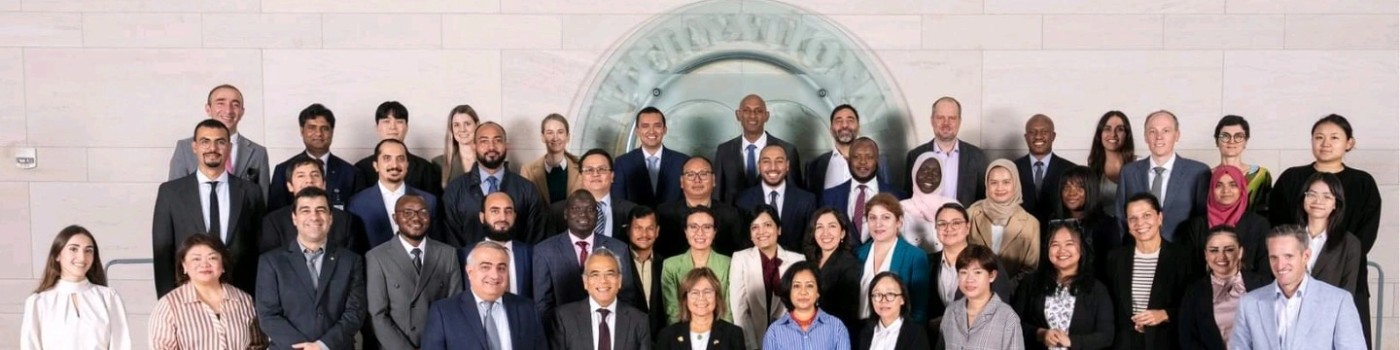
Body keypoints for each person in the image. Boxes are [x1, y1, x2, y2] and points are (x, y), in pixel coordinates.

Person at [1268, 114, 1380, 347]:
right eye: (1319, 137)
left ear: (1350, 143)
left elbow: (1365, 234)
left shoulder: (1363, 182)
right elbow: (1274, 223)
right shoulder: (1292, 177)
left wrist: (1337, 259)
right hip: (1291, 280)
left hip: (1344, 276)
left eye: (1334, 137)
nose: (1325, 143)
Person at [154, 119, 265, 298]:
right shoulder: (170, 193)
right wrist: (168, 300)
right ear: (194, 147)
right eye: (205, 141)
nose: (212, 148)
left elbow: (259, 248)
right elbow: (162, 253)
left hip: (241, 295)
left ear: (229, 147)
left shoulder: (251, 192)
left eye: (220, 142)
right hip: (187, 295)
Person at [256, 187, 367, 350]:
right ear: (294, 218)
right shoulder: (271, 261)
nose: (314, 217)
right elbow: (267, 315)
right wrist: (305, 348)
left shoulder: (351, 260)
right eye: (305, 210)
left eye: (320, 210)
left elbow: (355, 312)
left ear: (330, 218)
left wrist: (322, 345)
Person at [1229, 225, 1366, 349]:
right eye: (1274, 257)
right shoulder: (1249, 303)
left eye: (1288, 256)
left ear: (1306, 256)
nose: (1280, 265)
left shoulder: (1338, 301)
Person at [365, 194, 464, 349]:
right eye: (407, 213)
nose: (416, 218)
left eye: (423, 212)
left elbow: (455, 308)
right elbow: (377, 315)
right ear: (395, 218)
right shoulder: (377, 257)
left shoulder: (448, 254)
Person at [534, 190, 639, 331]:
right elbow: (543, 304)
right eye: (576, 209)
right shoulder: (544, 251)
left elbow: (627, 296)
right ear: (566, 213)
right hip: (563, 334)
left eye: (590, 209)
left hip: (607, 330)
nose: (583, 214)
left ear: (597, 215)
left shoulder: (618, 248)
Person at [1106, 193, 1200, 350]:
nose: (1140, 223)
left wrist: (1165, 314)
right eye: (1133, 218)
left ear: (1160, 218)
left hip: (1167, 342)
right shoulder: (1115, 258)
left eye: (1147, 215)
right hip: (1125, 343)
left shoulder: (1184, 257)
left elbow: (1195, 306)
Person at [421, 242, 549, 350]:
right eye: (485, 267)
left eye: (501, 268)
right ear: (469, 272)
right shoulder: (443, 312)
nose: (494, 275)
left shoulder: (527, 309)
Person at [22, 226, 132, 349]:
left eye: (88, 250)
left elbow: (121, 344)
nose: (82, 257)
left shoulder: (108, 297)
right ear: (57, 255)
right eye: (73, 249)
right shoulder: (38, 302)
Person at [149, 234, 267, 349]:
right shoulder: (169, 305)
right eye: (196, 259)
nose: (204, 264)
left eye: (212, 258)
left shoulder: (244, 300)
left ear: (223, 265)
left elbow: (257, 345)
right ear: (184, 266)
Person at [1011, 222, 1114, 350]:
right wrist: (1040, 334)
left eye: (1069, 244)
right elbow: (1012, 323)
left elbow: (1106, 336)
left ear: (1081, 249)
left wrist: (1071, 341)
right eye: (1055, 245)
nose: (1062, 250)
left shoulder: (1097, 289)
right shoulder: (1031, 282)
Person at [442, 122, 547, 246]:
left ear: (506, 145)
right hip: (468, 264)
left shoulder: (527, 189)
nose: (491, 147)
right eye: (484, 141)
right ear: (474, 146)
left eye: (497, 140)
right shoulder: (455, 190)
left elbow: (535, 240)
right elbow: (450, 241)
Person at [1117, 110, 1211, 242]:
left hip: (1183, 254)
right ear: (1145, 137)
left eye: (1166, 131)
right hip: (1138, 252)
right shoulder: (1128, 172)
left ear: (1177, 135)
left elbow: (1203, 220)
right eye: (1152, 131)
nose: (1159, 137)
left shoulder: (1198, 172)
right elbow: (1121, 218)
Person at [1178, 226, 1273, 350]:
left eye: (1228, 250)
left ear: (1240, 252)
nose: (1221, 256)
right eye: (1214, 250)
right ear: (1206, 255)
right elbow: (1188, 340)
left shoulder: (1263, 284)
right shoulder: (1194, 292)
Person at [927, 203, 1012, 340]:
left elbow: (1001, 306)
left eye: (956, 223)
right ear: (936, 228)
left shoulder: (987, 260)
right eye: (942, 224)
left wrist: (949, 321)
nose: (949, 228)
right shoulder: (927, 262)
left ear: (967, 227)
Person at [169, 84, 270, 196]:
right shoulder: (185, 147)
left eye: (235, 105)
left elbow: (263, 200)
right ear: (208, 109)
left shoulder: (258, 153)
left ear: (242, 112)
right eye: (221, 103)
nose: (228, 110)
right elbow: (174, 195)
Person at [730, 205, 806, 347]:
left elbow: (801, 308)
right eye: (755, 227)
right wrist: (752, 346)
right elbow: (739, 309)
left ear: (779, 229)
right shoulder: (740, 259)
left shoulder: (798, 260)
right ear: (750, 235)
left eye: (767, 225)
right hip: (753, 340)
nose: (761, 232)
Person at [261, 157, 367, 255]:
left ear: (324, 183)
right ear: (290, 186)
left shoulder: (346, 221)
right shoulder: (273, 222)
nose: (309, 180)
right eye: (301, 175)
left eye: (315, 175)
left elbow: (352, 263)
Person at [1176, 166, 1272, 275]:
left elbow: (1265, 271)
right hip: (1203, 290)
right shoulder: (1195, 226)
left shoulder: (1259, 225)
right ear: (1211, 189)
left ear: (1242, 188)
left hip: (1250, 290)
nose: (1226, 190)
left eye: (1233, 185)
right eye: (1219, 185)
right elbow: (1187, 271)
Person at [347, 139, 439, 250]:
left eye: (400, 159)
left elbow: (436, 247)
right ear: (375, 165)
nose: (394, 165)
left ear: (407, 165)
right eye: (387, 158)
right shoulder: (357, 203)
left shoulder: (429, 201)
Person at [552, 248, 653, 350]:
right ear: (585, 282)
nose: (603, 281)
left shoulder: (639, 320)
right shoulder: (564, 318)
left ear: (619, 280)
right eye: (595, 274)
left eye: (610, 274)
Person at [854, 194, 931, 324]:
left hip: (897, 334)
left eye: (886, 217)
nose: (878, 224)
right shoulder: (858, 253)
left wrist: (905, 339)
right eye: (872, 218)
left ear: (899, 222)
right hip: (859, 332)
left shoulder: (915, 256)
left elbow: (919, 310)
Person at [268, 103, 358, 210]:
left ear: (332, 132)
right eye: (312, 128)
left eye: (324, 128)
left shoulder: (351, 173)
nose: (318, 133)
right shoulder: (282, 170)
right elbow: (275, 215)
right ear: (302, 131)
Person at [715, 94, 802, 204]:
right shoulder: (724, 150)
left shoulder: (787, 150)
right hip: (734, 218)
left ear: (767, 116)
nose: (752, 116)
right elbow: (717, 193)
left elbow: (796, 194)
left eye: (758, 111)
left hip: (773, 217)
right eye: (746, 111)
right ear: (738, 115)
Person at [966, 159, 1040, 284]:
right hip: (972, 289)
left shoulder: (1031, 224)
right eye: (994, 182)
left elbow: (1030, 268)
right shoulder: (971, 214)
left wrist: (1006, 289)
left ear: (1016, 184)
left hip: (1013, 296)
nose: (1000, 188)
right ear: (987, 184)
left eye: (1006, 182)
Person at [904, 96, 988, 206]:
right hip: (926, 222)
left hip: (965, 222)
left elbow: (982, 200)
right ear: (932, 120)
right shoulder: (915, 156)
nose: (946, 123)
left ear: (959, 121)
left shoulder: (977, 156)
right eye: (940, 118)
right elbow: (910, 199)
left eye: (952, 118)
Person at [657, 156, 748, 256]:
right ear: (682, 182)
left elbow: (741, 254)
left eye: (703, 174)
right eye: (690, 174)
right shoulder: (663, 214)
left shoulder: (731, 215)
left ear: (713, 180)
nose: (697, 180)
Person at [939, 245, 1024, 350]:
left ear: (992, 276)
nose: (969, 279)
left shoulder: (1008, 318)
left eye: (977, 272)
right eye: (963, 272)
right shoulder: (950, 311)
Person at [820, 137, 904, 244]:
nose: (863, 162)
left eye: (869, 157)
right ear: (849, 159)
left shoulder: (899, 196)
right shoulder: (829, 197)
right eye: (856, 157)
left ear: (877, 160)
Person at [735, 144, 818, 251]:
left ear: (787, 165)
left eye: (779, 161)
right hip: (755, 265)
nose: (773, 167)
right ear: (758, 166)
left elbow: (810, 242)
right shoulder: (742, 200)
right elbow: (742, 241)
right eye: (766, 161)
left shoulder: (806, 200)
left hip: (796, 264)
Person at [354, 101, 443, 197]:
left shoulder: (426, 169)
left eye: (399, 121)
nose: (392, 127)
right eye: (386, 121)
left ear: (407, 127)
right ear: (377, 127)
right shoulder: (361, 169)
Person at [545, 149, 638, 241]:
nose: (595, 174)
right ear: (580, 176)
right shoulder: (557, 212)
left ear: (612, 176)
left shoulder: (631, 211)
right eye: (589, 170)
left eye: (602, 169)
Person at [662, 207, 734, 323]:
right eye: (693, 227)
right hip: (682, 333)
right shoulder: (670, 265)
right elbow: (672, 312)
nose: (700, 233)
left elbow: (728, 312)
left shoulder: (729, 263)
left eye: (707, 227)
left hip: (721, 332)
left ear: (714, 231)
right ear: (685, 231)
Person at [1051, 166, 1121, 282]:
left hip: (1095, 289)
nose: (1071, 193)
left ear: (1091, 190)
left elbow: (1112, 269)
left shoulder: (1108, 226)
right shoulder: (1053, 223)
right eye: (1066, 187)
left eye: (1080, 188)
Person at [1297, 173, 1363, 294]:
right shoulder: (1286, 236)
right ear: (1304, 198)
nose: (1318, 201)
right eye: (1312, 194)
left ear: (1335, 204)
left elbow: (1347, 291)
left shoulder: (1349, 244)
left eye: (1327, 197)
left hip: (1328, 311)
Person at [762, 261, 852, 350]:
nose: (803, 292)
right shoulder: (774, 331)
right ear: (789, 291)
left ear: (818, 292)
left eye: (809, 286)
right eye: (797, 286)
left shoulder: (836, 327)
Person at [803, 208, 863, 337]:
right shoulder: (809, 262)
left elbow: (847, 314)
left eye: (832, 226)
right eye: (819, 227)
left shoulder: (850, 264)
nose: (825, 233)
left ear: (842, 233)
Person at [613, 106, 690, 208]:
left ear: (664, 129)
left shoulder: (683, 162)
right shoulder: (622, 163)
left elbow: (690, 200)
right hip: (636, 223)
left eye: (657, 126)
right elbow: (619, 203)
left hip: (675, 223)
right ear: (637, 131)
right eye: (645, 126)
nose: (651, 131)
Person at [805, 104, 891, 192]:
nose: (845, 125)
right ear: (831, 129)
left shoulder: (881, 163)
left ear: (858, 128)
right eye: (839, 121)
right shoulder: (815, 166)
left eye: (850, 120)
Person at [656, 268, 747, 349]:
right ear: (685, 298)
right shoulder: (667, 335)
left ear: (716, 296)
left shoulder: (733, 334)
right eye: (694, 293)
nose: (701, 298)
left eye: (707, 292)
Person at [465, 192, 535, 297]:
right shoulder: (464, 255)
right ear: (482, 217)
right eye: (495, 211)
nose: (502, 218)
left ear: (515, 216)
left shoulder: (532, 254)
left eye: (508, 211)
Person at [1014, 114, 1076, 220]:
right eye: (1032, 132)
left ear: (1053, 136)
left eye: (1044, 132)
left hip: (1059, 233)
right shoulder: (1012, 169)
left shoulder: (1071, 170)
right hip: (1021, 233)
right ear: (1026, 137)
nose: (1038, 136)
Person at [855, 272, 931, 350]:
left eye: (890, 294)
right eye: (877, 295)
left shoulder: (916, 334)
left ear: (902, 299)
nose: (883, 300)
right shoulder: (862, 331)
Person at [1213, 115, 1271, 215]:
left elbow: (1267, 211)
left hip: (1253, 229)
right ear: (1217, 141)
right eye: (1225, 136)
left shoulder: (1260, 175)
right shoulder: (1206, 175)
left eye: (1238, 136)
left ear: (1245, 141)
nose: (1231, 141)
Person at [624, 206, 668, 337]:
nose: (644, 234)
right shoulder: (618, 262)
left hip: (659, 337)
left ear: (657, 231)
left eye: (650, 228)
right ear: (628, 230)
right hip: (627, 336)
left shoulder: (665, 264)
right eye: (638, 228)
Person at [520, 113, 583, 203]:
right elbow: (526, 205)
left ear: (568, 137)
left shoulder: (581, 168)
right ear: (542, 137)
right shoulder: (528, 171)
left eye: (560, 132)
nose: (555, 138)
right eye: (550, 133)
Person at [901, 153, 956, 254]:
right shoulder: (900, 209)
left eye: (935, 173)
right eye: (924, 170)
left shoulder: (953, 207)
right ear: (915, 173)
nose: (929, 176)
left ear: (942, 177)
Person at [1086, 110, 1135, 217]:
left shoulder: (1140, 165)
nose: (1113, 134)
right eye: (1107, 129)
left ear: (1127, 135)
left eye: (1120, 129)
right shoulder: (1091, 170)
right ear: (1100, 134)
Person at [432, 105, 479, 188]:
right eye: (456, 125)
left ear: (477, 125)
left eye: (467, 124)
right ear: (451, 129)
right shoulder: (439, 163)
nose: (462, 129)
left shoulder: (489, 160)